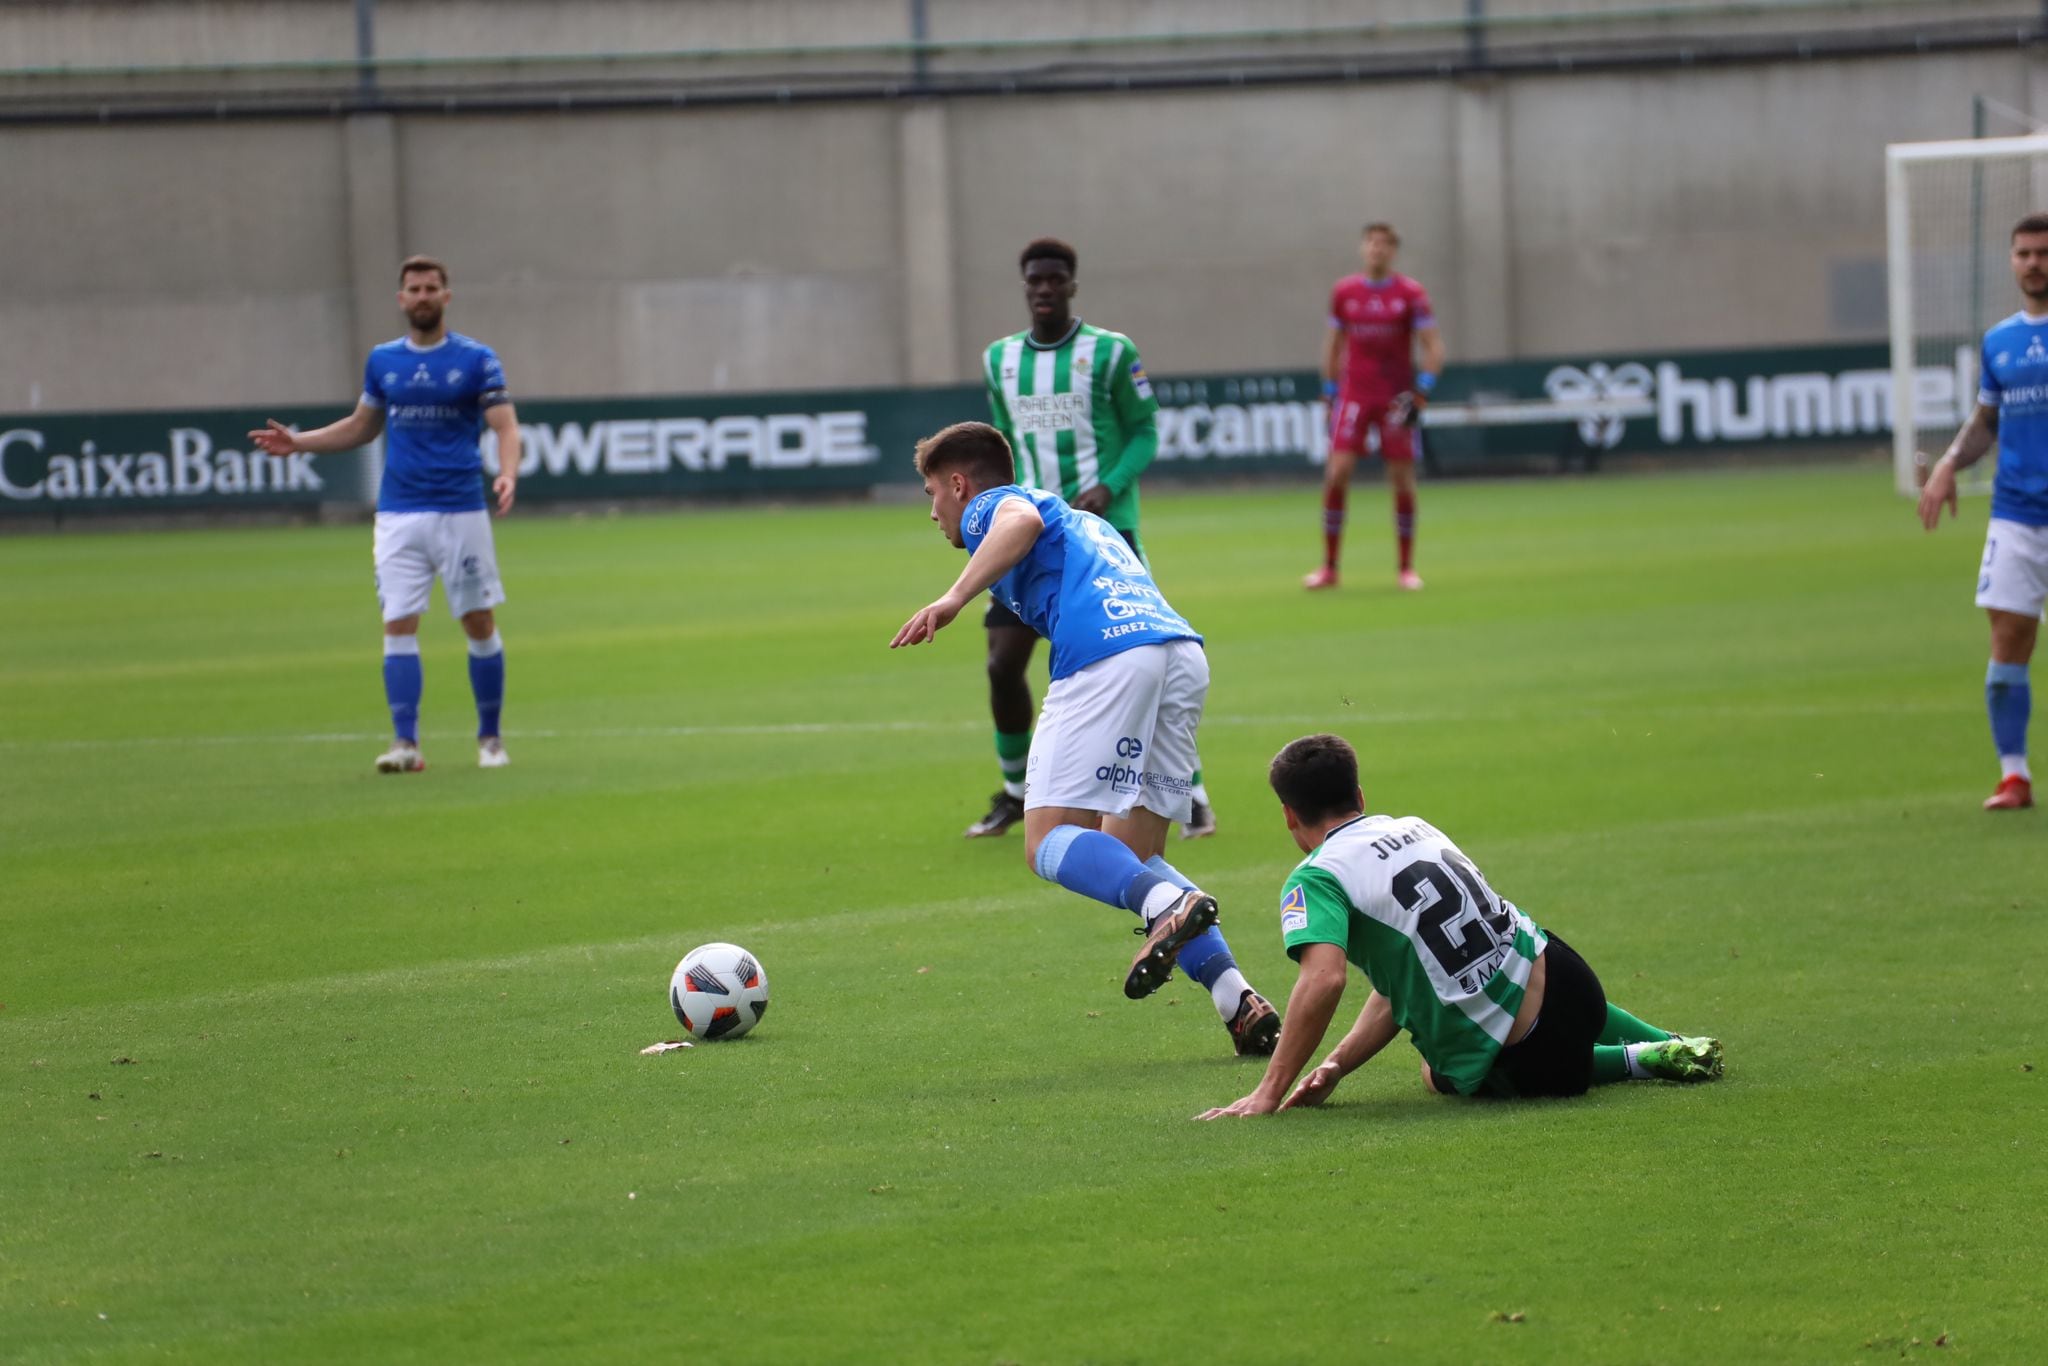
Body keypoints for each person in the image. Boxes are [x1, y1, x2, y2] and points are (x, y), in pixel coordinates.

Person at [891, 421, 1279, 1055]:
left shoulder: (999, 504)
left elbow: (1017, 524)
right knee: (1132, 855)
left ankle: (1169, 904)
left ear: (959, 485)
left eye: (933, 493)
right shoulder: (1081, 521)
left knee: (1045, 842)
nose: (933, 511)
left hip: (1110, 658)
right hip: (1178, 654)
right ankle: (1236, 999)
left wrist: (954, 598)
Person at [1198, 734, 1722, 1117]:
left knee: (1435, 1074)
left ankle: (1636, 1058)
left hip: (1534, 1051)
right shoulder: (1414, 825)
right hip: (1571, 977)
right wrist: (1335, 1064)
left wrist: (1269, 1090)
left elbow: (1325, 979)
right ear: (1360, 796)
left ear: (1290, 815)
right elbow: (1402, 985)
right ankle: (1670, 1038)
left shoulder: (1315, 878)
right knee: (1512, 960)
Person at [968, 237, 1218, 841]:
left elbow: (1145, 429)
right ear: (1024, 286)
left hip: (1104, 536)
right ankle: (1014, 790)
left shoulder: (1110, 352)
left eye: (1055, 280)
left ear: (1072, 285)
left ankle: (1191, 793)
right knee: (1003, 664)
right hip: (1027, 539)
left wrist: (1110, 485)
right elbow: (1002, 442)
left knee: (1138, 654)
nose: (1044, 289)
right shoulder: (999, 359)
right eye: (1034, 281)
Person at [251, 255, 519, 773]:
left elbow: (506, 426)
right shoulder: (383, 361)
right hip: (398, 514)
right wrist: (299, 441)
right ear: (400, 299)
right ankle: (406, 744)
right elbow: (361, 427)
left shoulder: (476, 359)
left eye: (431, 288)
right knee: (397, 623)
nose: (422, 296)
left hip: (460, 509)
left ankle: (489, 738)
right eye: (413, 289)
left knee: (478, 622)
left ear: (446, 296)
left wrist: (507, 472)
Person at [1918, 211, 2048, 811]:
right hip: (2016, 513)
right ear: (2011, 260)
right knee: (2006, 639)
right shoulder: (1999, 342)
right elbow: (1987, 421)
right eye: (2023, 253)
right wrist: (1948, 464)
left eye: (2043, 252)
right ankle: (2014, 775)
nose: (2033, 263)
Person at [1306, 223, 1444, 592]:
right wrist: (1329, 392)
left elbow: (1433, 347)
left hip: (1395, 398)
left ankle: (1406, 567)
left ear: (1393, 251)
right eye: (1371, 243)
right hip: (1354, 395)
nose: (1376, 250)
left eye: (1384, 245)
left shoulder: (1410, 294)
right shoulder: (1345, 292)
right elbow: (1333, 345)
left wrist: (1421, 393)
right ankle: (1330, 567)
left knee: (1401, 478)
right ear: (1362, 248)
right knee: (1337, 472)